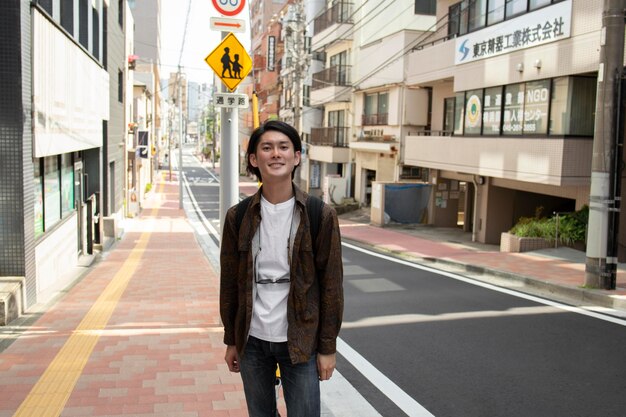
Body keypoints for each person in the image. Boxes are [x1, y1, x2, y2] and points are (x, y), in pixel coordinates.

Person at [220, 120, 344, 417]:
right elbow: (229, 284)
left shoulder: (318, 214)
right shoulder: (237, 217)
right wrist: (231, 340)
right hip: (253, 339)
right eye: (267, 147)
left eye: (283, 147)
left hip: (300, 338)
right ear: (253, 159)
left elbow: (331, 286)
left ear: (297, 157)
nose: (275, 153)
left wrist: (327, 347)